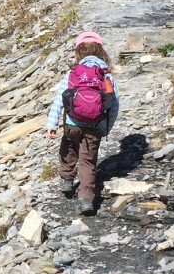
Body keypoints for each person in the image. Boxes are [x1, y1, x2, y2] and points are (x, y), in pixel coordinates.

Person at [46, 31, 119, 216]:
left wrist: (52, 124)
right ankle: (86, 198)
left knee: (68, 147)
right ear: (101, 51)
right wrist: (107, 127)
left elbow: (59, 99)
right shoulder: (106, 75)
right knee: (88, 161)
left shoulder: (74, 72)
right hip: (96, 125)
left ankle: (66, 180)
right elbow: (114, 103)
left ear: (78, 51)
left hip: (72, 122)